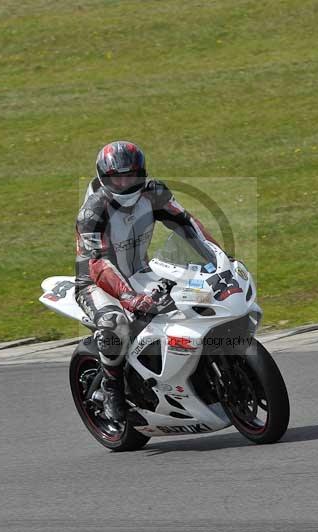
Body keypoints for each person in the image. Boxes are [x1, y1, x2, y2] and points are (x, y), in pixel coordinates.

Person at [74, 140, 220, 421]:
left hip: (139, 271)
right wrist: (129, 298)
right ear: (105, 179)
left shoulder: (154, 193)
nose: (125, 184)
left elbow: (188, 225)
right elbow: (98, 263)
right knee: (114, 322)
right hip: (94, 282)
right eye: (118, 178)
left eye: (131, 176)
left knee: (194, 298)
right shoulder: (93, 211)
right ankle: (112, 388)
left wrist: (220, 259)